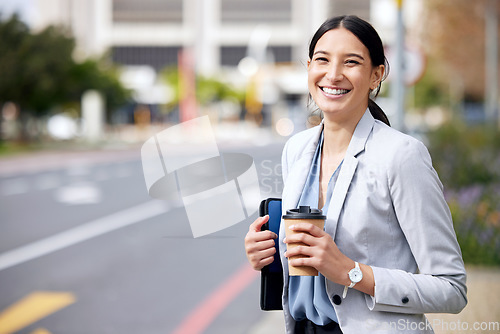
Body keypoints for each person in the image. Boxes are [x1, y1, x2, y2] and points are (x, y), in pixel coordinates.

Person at [244, 15, 467, 334]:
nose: (333, 75)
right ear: (309, 67)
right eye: (322, 60)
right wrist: (267, 255)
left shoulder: (402, 156)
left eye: (351, 62)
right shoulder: (297, 149)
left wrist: (350, 272)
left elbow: (451, 289)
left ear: (376, 75)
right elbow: (306, 266)